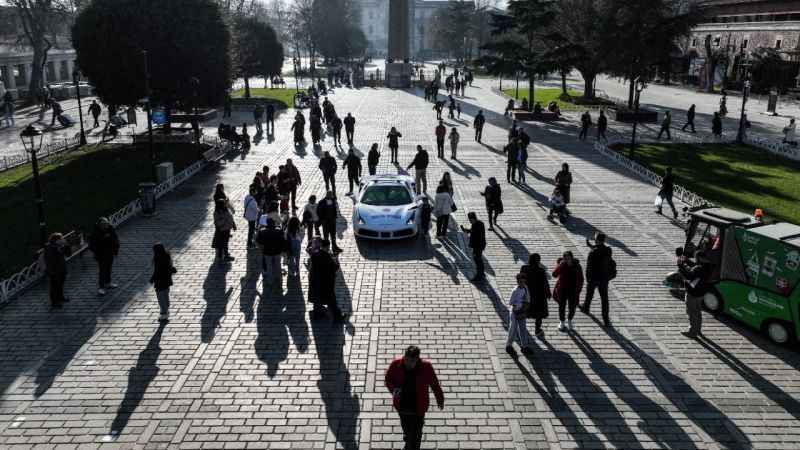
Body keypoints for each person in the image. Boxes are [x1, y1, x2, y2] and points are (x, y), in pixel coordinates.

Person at [384, 345, 445, 450]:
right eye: (406, 359)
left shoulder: (426, 367)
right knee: (406, 427)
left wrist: (440, 399)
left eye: (411, 361)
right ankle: (408, 438)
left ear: (417, 359)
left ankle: (413, 445)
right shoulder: (395, 364)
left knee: (417, 434)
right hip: (402, 406)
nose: (407, 363)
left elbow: (435, 384)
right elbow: (388, 379)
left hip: (418, 408)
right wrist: (393, 390)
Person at [581, 233, 614, 327]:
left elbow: (589, 267)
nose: (594, 240)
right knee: (604, 299)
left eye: (595, 238)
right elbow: (601, 250)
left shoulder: (592, 252)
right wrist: (592, 246)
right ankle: (606, 319)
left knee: (589, 294)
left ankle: (586, 308)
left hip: (594, 278)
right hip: (604, 278)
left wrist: (587, 278)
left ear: (598, 240)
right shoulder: (608, 250)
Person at [308, 239, 344, 321]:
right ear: (327, 247)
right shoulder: (327, 257)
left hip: (315, 280)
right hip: (326, 282)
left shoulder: (315, 254)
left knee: (317, 297)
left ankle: (317, 314)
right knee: (332, 300)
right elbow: (335, 268)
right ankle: (337, 317)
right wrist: (336, 259)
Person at [679, 250, 710, 337]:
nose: (695, 259)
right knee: (698, 311)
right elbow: (695, 267)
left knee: (692, 312)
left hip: (693, 293)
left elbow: (689, 275)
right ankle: (698, 329)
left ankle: (692, 332)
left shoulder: (699, 268)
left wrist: (681, 266)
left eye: (696, 258)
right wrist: (687, 261)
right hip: (701, 292)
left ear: (699, 258)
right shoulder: (708, 265)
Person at [553, 251, 584, 332]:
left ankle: (569, 320)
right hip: (562, 289)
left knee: (572, 307)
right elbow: (554, 274)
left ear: (572, 257)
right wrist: (560, 265)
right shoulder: (562, 265)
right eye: (565, 258)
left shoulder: (577, 265)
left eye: (568, 257)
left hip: (573, 290)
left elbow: (581, 279)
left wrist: (579, 289)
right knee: (561, 306)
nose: (567, 259)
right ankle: (562, 321)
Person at [89, 217, 120, 296]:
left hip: (110, 253)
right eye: (103, 224)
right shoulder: (95, 232)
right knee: (102, 270)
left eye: (106, 223)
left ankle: (108, 282)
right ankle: (101, 287)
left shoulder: (110, 229)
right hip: (101, 254)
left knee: (109, 268)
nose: (105, 225)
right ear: (100, 225)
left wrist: (115, 249)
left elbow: (115, 239)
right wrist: (103, 239)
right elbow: (92, 244)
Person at [520, 254, 550, 337]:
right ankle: (537, 329)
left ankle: (522, 328)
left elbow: (521, 280)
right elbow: (545, 283)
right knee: (538, 315)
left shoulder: (524, 268)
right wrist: (548, 294)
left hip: (527, 294)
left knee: (525, 312)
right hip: (539, 296)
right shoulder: (541, 270)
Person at [506, 273, 535, 356]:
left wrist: (525, 307)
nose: (522, 283)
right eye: (520, 282)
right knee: (513, 329)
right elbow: (510, 302)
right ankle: (509, 345)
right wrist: (518, 305)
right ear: (517, 282)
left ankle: (524, 346)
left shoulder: (525, 288)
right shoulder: (515, 291)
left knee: (523, 328)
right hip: (514, 312)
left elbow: (528, 298)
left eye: (524, 282)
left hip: (522, 311)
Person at [150, 243, 176, 322]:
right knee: (165, 294)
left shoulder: (158, 259)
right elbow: (170, 268)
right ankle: (166, 308)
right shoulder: (167, 256)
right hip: (167, 281)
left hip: (159, 282)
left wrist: (152, 279)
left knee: (161, 298)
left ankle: (164, 313)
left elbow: (157, 272)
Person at [257, 218, 287, 287]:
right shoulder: (279, 231)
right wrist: (283, 250)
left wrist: (261, 250)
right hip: (277, 252)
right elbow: (283, 241)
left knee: (269, 267)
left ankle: (270, 281)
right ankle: (279, 280)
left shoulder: (262, 231)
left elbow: (258, 242)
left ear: (267, 223)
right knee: (278, 266)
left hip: (267, 252)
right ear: (273, 223)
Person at [44, 233, 70, 309]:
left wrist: (66, 245)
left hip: (61, 268)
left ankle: (61, 297)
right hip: (54, 270)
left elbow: (68, 254)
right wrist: (58, 249)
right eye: (61, 239)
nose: (62, 240)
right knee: (54, 286)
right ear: (56, 240)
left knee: (61, 284)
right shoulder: (50, 247)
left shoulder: (61, 246)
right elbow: (51, 260)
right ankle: (54, 302)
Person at [461, 212, 487, 282]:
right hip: (478, 245)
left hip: (478, 246)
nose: (470, 221)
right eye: (469, 219)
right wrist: (467, 230)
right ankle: (481, 273)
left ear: (473, 218)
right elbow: (473, 231)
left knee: (477, 260)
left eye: (470, 219)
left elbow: (478, 236)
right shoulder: (478, 223)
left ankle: (479, 275)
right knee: (478, 259)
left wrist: (477, 248)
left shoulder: (477, 225)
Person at [212, 199, 236, 263]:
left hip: (227, 229)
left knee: (225, 243)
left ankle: (226, 255)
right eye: (224, 203)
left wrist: (233, 225)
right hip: (222, 230)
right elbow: (218, 223)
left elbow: (231, 215)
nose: (225, 204)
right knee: (221, 244)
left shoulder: (225, 209)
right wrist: (224, 219)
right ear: (221, 205)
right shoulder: (217, 212)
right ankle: (220, 257)